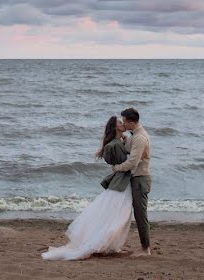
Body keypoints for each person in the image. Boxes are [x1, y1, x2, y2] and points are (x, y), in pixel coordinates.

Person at [41, 116, 135, 260]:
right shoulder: (114, 145)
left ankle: (109, 245)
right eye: (120, 123)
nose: (123, 124)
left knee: (115, 214)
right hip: (122, 182)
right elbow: (124, 162)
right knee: (118, 215)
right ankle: (104, 244)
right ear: (115, 127)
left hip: (121, 181)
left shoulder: (117, 143)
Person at [111, 107, 152, 256]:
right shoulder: (135, 135)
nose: (123, 124)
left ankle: (145, 249)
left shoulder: (140, 138)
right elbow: (128, 148)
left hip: (141, 179)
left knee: (140, 214)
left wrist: (117, 168)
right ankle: (144, 247)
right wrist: (122, 138)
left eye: (125, 122)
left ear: (131, 122)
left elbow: (133, 162)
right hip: (137, 179)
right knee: (137, 213)